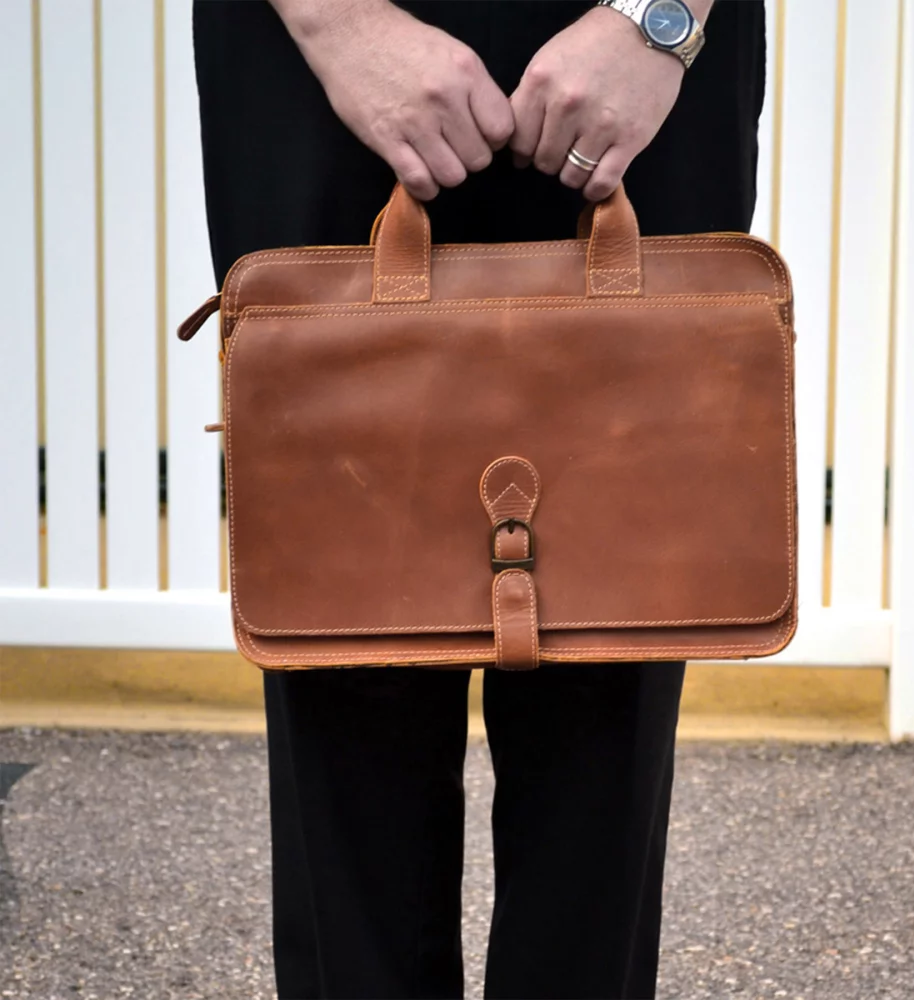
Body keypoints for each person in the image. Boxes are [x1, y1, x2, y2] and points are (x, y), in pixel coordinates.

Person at [192, 1, 764, 996]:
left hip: (643, 58)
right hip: (309, 56)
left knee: (618, 641)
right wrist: (336, 22)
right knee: (341, 644)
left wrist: (654, 21)